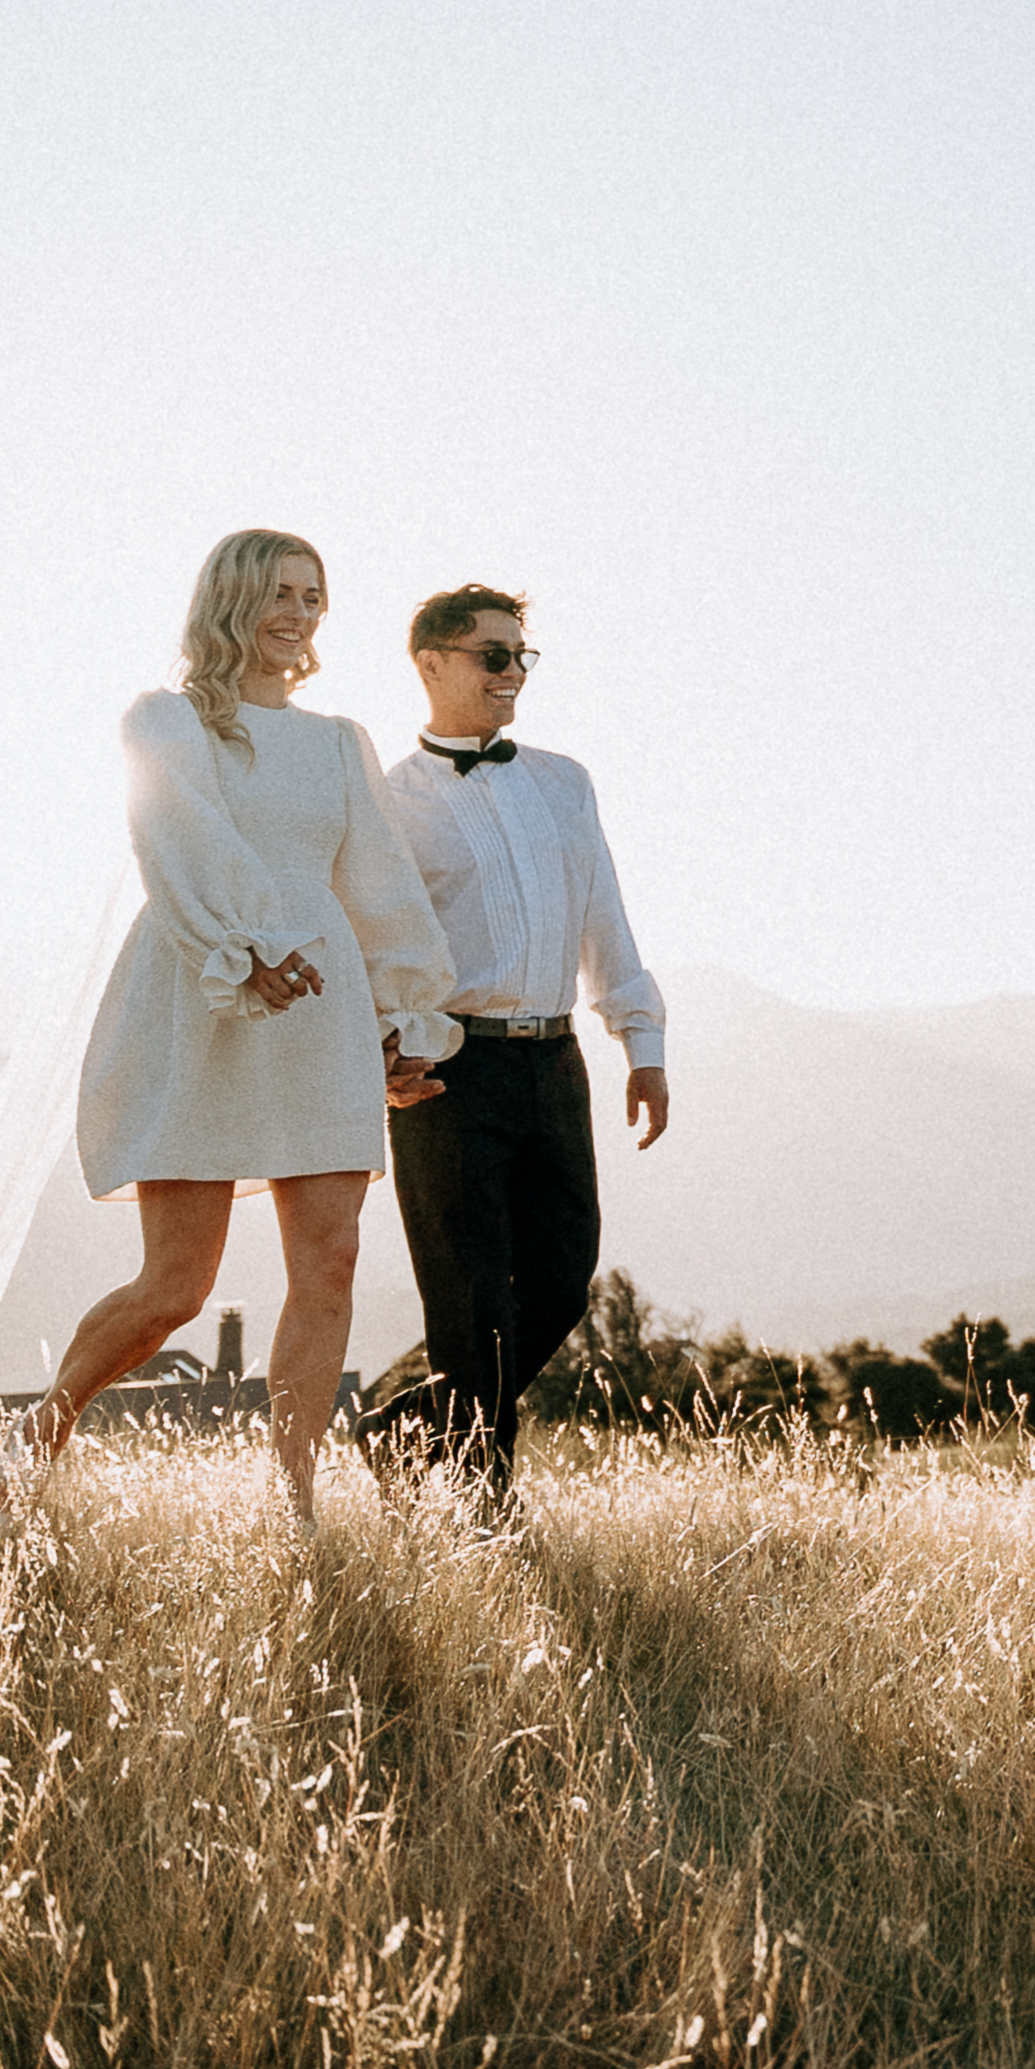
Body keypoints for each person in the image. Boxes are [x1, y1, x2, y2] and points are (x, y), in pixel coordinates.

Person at [28, 527, 462, 1522]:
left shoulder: (340, 741)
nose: (297, 613)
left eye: (312, 596)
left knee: (332, 1258)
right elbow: (183, 836)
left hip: (321, 1007)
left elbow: (382, 884)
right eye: (277, 592)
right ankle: (40, 1433)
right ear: (228, 598)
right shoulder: (166, 722)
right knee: (175, 1285)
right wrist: (250, 947)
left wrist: (408, 1019)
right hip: (205, 990)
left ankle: (294, 1502)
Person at [354, 581, 671, 1501]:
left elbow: (603, 915)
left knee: (565, 1278)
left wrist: (639, 1040)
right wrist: (385, 1049)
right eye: (494, 655)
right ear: (433, 663)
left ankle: (402, 1430)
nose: (512, 674)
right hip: (447, 1069)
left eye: (521, 656)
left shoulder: (565, 781)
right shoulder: (385, 800)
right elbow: (370, 938)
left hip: (555, 1058)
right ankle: (483, 1510)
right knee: (471, 1306)